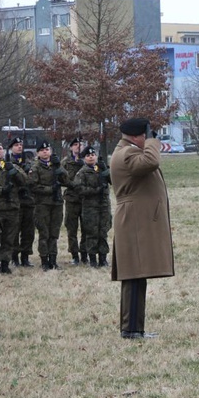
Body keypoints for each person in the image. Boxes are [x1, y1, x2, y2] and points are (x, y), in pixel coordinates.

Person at [110, 118, 174, 339]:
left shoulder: (128, 151)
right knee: (135, 276)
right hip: (134, 221)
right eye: (146, 135)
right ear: (137, 136)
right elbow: (151, 162)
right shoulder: (128, 153)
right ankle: (131, 330)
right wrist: (154, 141)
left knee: (136, 276)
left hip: (135, 219)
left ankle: (134, 328)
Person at [29, 141, 69, 270]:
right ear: (38, 153)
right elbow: (33, 186)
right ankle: (44, 260)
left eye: (47, 149)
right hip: (42, 204)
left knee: (54, 233)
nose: (45, 152)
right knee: (44, 233)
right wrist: (49, 189)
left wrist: (59, 168)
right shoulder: (35, 167)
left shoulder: (55, 166)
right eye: (42, 150)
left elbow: (66, 180)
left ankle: (53, 259)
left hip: (56, 203)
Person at [74, 146, 112, 267]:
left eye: (93, 155)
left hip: (104, 205)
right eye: (88, 155)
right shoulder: (82, 172)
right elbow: (79, 189)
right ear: (84, 158)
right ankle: (92, 259)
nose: (91, 157)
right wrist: (96, 190)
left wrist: (106, 170)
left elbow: (113, 181)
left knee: (103, 232)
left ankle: (103, 258)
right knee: (92, 233)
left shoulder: (101, 169)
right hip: (90, 207)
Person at [0, 143, 26, 274]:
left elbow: (24, 181)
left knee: (9, 238)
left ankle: (5, 263)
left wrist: (13, 170)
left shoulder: (12, 166)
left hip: (12, 208)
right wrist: (1, 191)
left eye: (1, 149)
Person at [8, 137, 35, 267]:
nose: (19, 147)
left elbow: (33, 180)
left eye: (21, 145)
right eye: (16, 145)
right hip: (15, 201)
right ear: (11, 148)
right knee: (14, 231)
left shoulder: (28, 161)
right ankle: (14, 257)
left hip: (28, 201)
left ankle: (25, 256)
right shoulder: (8, 163)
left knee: (28, 232)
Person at [63, 137, 87, 265]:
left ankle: (84, 254)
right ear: (71, 147)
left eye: (81, 144)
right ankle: (74, 254)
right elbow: (62, 179)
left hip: (85, 199)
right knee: (71, 228)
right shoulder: (66, 163)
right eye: (76, 144)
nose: (78, 147)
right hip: (72, 199)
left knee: (86, 228)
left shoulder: (88, 161)